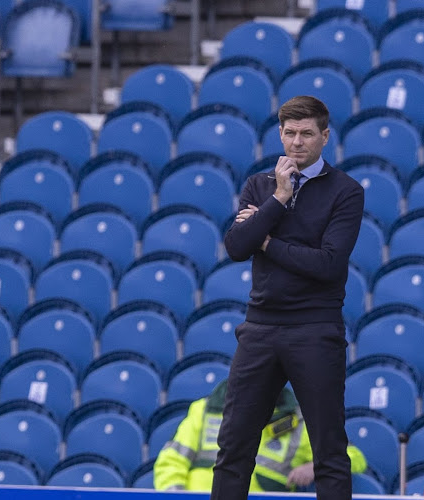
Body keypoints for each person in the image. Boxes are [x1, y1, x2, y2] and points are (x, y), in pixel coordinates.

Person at [210, 95, 365, 500]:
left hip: (315, 329)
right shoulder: (260, 186)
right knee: (233, 447)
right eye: (290, 133)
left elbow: (328, 264)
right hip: (259, 328)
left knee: (329, 451)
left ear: (325, 136)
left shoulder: (346, 192)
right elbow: (236, 247)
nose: (297, 142)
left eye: (307, 134)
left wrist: (267, 239)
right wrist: (278, 199)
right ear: (280, 133)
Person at [153, 381, 367, 492]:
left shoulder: (302, 420)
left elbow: (355, 457)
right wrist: (178, 496)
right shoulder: (205, 409)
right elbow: (170, 463)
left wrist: (315, 466)